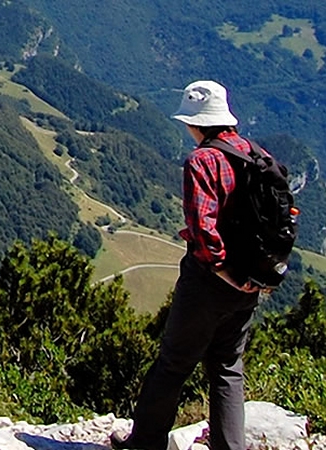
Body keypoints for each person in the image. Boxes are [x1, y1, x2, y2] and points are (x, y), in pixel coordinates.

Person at [110, 81, 262, 450]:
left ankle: (145, 443)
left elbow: (202, 226)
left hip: (209, 279)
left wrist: (222, 270)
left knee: (173, 363)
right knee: (228, 368)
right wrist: (258, 277)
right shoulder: (255, 155)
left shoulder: (201, 161)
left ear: (196, 123)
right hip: (252, 280)